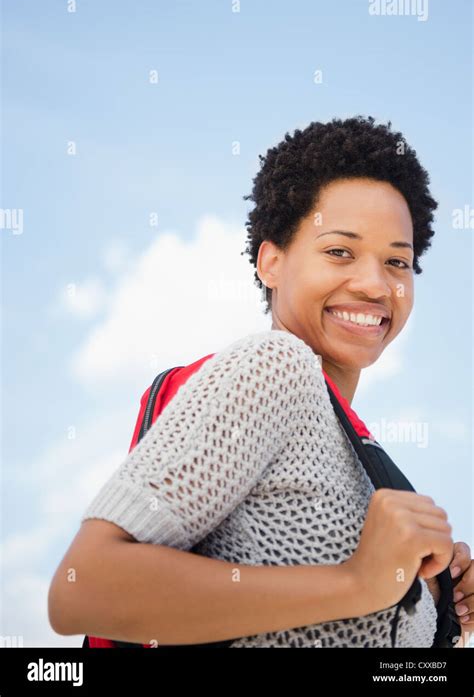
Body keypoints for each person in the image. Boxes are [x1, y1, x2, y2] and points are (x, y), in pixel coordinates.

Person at [48, 115, 473, 647]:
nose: (374, 284)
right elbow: (84, 590)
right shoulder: (274, 367)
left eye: (397, 261)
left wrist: (440, 603)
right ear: (271, 262)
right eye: (340, 250)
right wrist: (357, 582)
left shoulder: (362, 459)